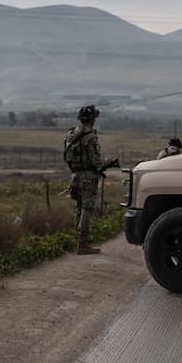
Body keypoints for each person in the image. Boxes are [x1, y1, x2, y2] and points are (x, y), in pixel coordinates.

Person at [63, 106, 117, 255]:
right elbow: (96, 162)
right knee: (87, 210)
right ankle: (82, 245)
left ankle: (76, 241)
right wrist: (109, 161)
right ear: (92, 119)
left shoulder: (72, 134)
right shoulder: (90, 136)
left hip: (75, 176)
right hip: (88, 178)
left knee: (79, 208)